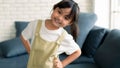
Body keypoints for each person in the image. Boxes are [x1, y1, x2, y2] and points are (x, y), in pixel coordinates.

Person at [20, 0, 81, 68]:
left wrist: (62, 64)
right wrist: (30, 51)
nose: (60, 18)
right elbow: (23, 36)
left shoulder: (64, 37)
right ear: (54, 8)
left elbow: (77, 52)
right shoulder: (36, 25)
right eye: (59, 12)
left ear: (69, 23)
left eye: (66, 18)